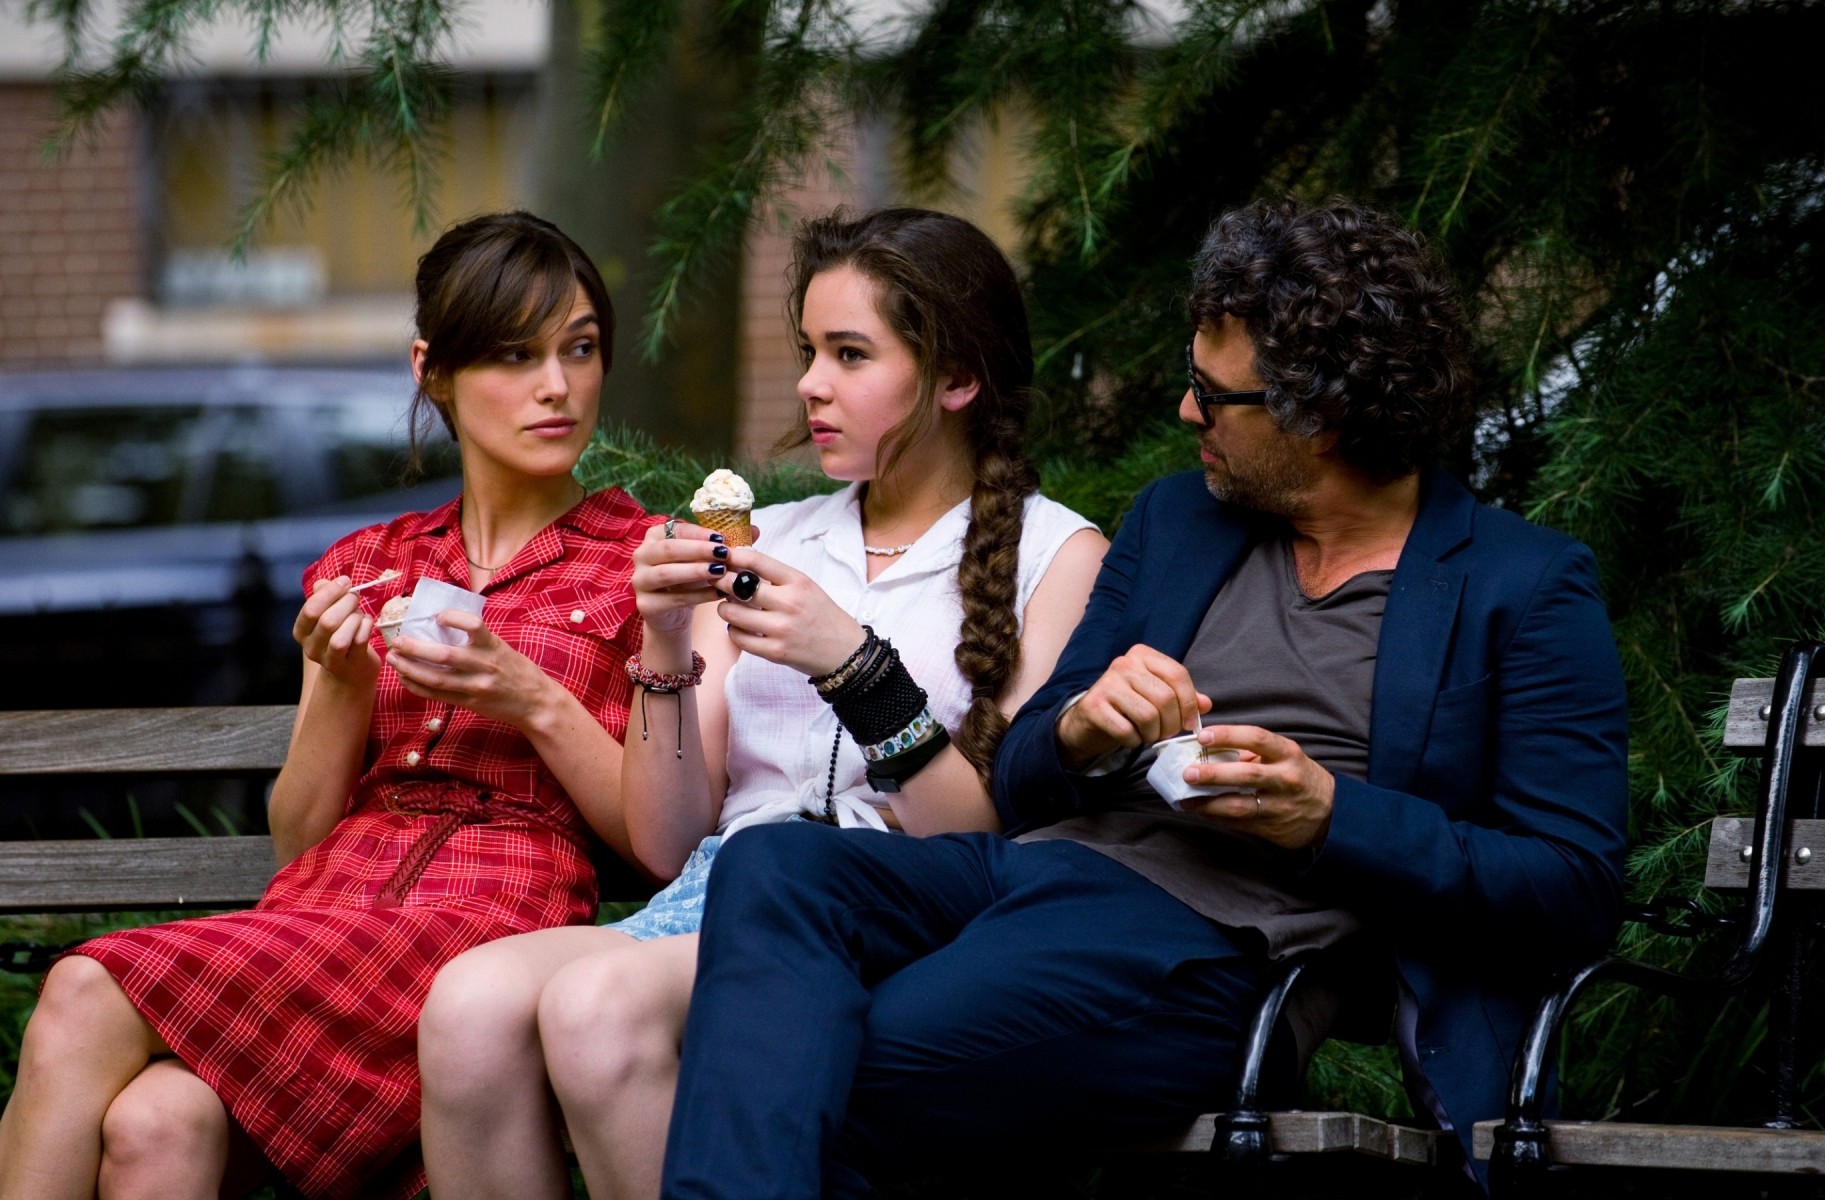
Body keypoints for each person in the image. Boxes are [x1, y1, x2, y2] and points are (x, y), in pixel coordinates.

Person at [657, 198, 1631, 1197]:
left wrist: (1330, 818)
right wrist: (1081, 730)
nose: (1185, 413)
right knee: (779, 865)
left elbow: (1574, 885)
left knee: (846, 1062)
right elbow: (1027, 771)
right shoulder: (1178, 523)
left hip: (1224, 953)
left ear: (1324, 416)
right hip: (1031, 878)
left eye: (1216, 396)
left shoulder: (1521, 585)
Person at [415, 207, 1108, 1200]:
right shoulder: (766, 540)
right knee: (468, 1005)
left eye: (849, 354)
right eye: (809, 351)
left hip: (895, 916)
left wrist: (856, 669)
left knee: (595, 1006)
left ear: (957, 379)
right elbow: (666, 843)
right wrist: (660, 635)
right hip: (716, 895)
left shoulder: (1058, 558)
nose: (811, 385)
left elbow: (991, 837)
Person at [0, 211, 658, 1200]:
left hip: (489, 923)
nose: (557, 386)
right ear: (432, 371)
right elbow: (300, 843)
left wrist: (530, 697)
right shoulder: (370, 565)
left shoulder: (641, 563)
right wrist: (344, 687)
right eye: (515, 354)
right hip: (329, 911)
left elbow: (658, 840)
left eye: (580, 348)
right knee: (153, 1122)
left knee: (85, 989)